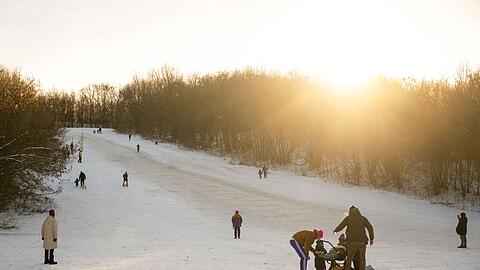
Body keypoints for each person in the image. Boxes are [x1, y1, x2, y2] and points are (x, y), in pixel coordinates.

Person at [334, 206, 374, 270]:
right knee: (362, 259)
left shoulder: (348, 218)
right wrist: (371, 239)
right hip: (362, 242)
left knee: (349, 259)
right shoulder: (363, 218)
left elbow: (341, 225)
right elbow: (370, 227)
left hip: (352, 242)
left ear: (350, 211)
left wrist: (336, 230)